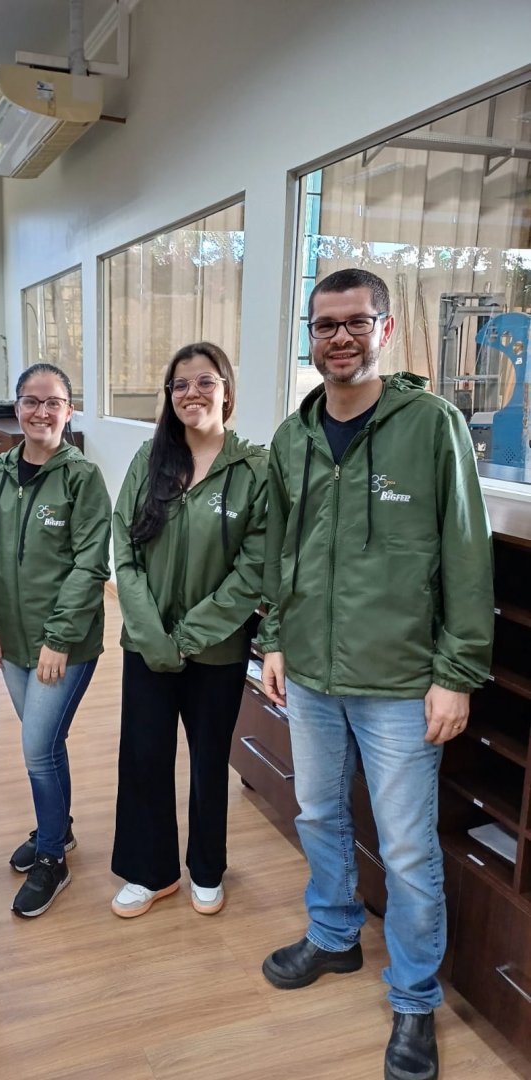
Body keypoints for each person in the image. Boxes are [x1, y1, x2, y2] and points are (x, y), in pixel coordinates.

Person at [258, 269, 494, 1080]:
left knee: (406, 848)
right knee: (319, 813)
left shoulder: (431, 425)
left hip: (399, 681)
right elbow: (280, 550)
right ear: (311, 335)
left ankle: (415, 999)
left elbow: (466, 553)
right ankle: (334, 937)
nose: (340, 338)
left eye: (357, 322)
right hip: (311, 673)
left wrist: (456, 672)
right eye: (325, 324)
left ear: (385, 330)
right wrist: (274, 640)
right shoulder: (293, 437)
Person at [111, 342, 268, 918]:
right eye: (179, 384)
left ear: (226, 391)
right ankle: (149, 873)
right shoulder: (149, 461)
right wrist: (152, 634)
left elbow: (253, 570)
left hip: (217, 650)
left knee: (208, 762)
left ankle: (206, 868)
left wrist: (187, 637)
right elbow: (124, 551)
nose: (191, 393)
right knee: (144, 756)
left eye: (205, 381)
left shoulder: (253, 470)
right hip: (146, 644)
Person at [0, 362, 111, 918]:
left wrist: (59, 639)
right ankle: (60, 829)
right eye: (31, 400)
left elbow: (90, 565)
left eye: (53, 402)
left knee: (36, 747)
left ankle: (52, 857)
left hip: (64, 646)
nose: (41, 411)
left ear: (68, 411)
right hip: (10, 640)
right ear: (17, 407)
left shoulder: (82, 479)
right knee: (46, 745)